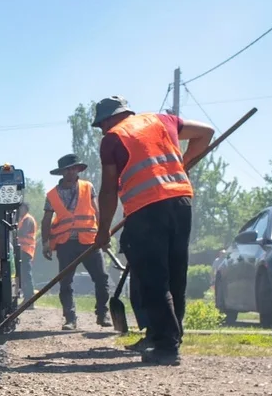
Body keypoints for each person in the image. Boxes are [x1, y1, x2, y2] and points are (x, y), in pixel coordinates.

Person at [91, 95, 214, 366]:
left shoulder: (112, 138)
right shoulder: (162, 120)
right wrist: (184, 163)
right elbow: (206, 133)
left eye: (101, 124)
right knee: (174, 275)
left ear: (110, 119)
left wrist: (103, 231)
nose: (102, 129)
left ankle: (166, 347)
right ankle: (169, 338)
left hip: (146, 211)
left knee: (152, 279)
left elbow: (109, 189)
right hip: (181, 202)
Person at [42, 153, 111, 330]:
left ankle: (103, 313)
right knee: (65, 282)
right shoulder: (51, 194)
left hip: (90, 241)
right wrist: (45, 243)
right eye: (68, 169)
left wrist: (104, 233)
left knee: (102, 278)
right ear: (62, 172)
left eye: (74, 168)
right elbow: (46, 220)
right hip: (66, 243)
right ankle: (70, 319)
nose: (71, 172)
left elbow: (96, 211)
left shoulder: (88, 187)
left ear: (78, 169)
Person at [15, 202, 38, 299]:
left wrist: (12, 229)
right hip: (23, 250)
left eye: (21, 208)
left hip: (26, 250)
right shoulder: (23, 219)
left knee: (26, 274)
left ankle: (29, 297)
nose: (19, 210)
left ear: (25, 209)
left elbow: (22, 232)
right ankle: (27, 296)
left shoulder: (28, 219)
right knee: (23, 274)